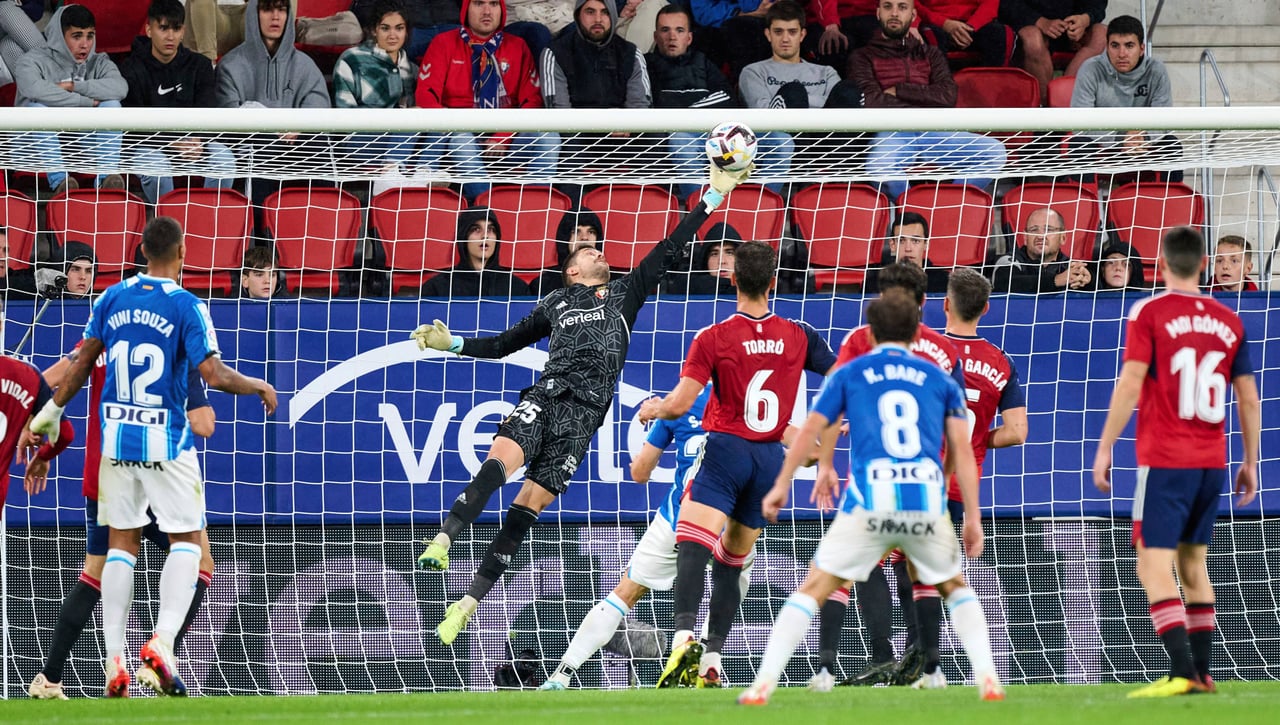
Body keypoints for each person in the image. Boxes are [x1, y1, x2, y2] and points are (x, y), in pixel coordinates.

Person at [411, 160, 753, 646]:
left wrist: (711, 199)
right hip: (548, 395)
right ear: (573, 270)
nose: (596, 250)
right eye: (586, 249)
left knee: (527, 507)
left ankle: (466, 605)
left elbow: (669, 246)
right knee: (499, 463)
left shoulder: (624, 294)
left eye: (597, 246)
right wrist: (455, 345)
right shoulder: (555, 303)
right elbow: (506, 343)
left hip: (584, 418)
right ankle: (444, 538)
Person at [28, 216, 278, 698]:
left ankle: (113, 661)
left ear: (140, 249)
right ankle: (162, 645)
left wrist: (50, 411)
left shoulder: (110, 299)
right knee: (190, 545)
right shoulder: (187, 308)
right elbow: (213, 378)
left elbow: (76, 364)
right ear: (182, 252)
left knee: (117, 549)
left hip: (114, 445)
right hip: (164, 442)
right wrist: (256, 385)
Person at [737, 292, 1005, 705]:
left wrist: (782, 483)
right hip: (924, 498)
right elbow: (961, 450)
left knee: (814, 587)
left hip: (870, 499)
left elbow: (810, 429)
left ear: (873, 332)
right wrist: (972, 515)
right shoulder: (938, 376)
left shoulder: (852, 372)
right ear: (915, 332)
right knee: (954, 585)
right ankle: (987, 678)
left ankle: (762, 684)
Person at [639, 240, 837, 688]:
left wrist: (655, 407)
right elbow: (844, 373)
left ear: (730, 278)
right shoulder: (800, 334)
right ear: (772, 282)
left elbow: (682, 403)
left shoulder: (713, 337)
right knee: (733, 561)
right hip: (769, 461)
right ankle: (712, 658)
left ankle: (682, 638)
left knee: (692, 543)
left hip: (726, 449)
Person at [1092, 226, 1259, 698]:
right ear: (1204, 265)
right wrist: (1250, 459)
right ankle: (1203, 676)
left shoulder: (1149, 311)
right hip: (1213, 462)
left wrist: (1105, 446)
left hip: (1166, 460)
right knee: (1194, 566)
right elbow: (1248, 396)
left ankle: (1184, 672)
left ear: (1161, 266)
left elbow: (1130, 381)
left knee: (1152, 565)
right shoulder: (1230, 320)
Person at [27, 344, 217, 700]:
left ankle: (58, 677)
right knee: (198, 560)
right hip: (160, 471)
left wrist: (39, 434)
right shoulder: (173, 339)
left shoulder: (102, 335)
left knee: (97, 572)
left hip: (105, 470)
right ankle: (160, 656)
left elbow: (48, 381)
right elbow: (204, 423)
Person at [811, 261, 966, 690]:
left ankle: (877, 659)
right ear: (925, 302)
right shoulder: (942, 349)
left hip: (875, 472)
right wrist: (949, 476)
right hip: (927, 473)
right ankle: (926, 663)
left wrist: (825, 464)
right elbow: (960, 426)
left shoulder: (860, 341)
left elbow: (830, 402)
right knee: (920, 568)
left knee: (854, 563)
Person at [540, 384, 754, 689]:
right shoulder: (750, 406)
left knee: (624, 593)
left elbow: (640, 474)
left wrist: (640, 461)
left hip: (678, 518)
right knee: (737, 572)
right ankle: (707, 656)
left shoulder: (675, 405)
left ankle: (562, 674)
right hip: (724, 521)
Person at [903, 267, 1027, 689]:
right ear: (986, 309)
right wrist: (977, 439)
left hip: (920, 474)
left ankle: (924, 660)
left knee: (909, 569)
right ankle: (924, 660)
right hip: (963, 481)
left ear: (945, 304)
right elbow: (1018, 432)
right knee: (933, 570)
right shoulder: (1000, 361)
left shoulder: (929, 350)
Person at [850, 0, 1005, 203]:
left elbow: (948, 96)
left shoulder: (931, 53)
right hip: (893, 130)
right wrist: (924, 100)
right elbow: (872, 101)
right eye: (888, 7)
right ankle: (912, 214)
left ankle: (948, 207)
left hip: (933, 129)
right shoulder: (861, 56)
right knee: (879, 167)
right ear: (878, 13)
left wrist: (899, 90)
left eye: (902, 7)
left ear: (914, 15)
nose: (895, 13)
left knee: (994, 152)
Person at [416, 0, 552, 200]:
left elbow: (532, 101)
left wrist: (503, 136)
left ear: (502, 10)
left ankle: (536, 210)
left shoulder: (518, 46)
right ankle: (488, 214)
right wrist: (454, 125)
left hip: (508, 139)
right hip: (459, 135)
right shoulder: (443, 43)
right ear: (466, 9)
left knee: (549, 136)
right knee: (461, 140)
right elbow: (426, 95)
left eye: (494, 4)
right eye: (479, 3)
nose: (487, 11)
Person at [119, 0, 237, 205]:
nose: (170, 36)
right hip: (149, 144)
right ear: (149, 29)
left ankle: (208, 223)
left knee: (225, 161)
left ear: (183, 31)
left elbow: (208, 112)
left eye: (176, 28)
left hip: (193, 142)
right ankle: (168, 227)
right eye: (163, 28)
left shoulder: (199, 65)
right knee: (157, 168)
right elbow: (132, 129)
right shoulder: (131, 68)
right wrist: (172, 143)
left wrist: (197, 140)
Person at [13, 4, 127, 195]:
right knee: (37, 109)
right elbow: (34, 89)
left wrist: (75, 86)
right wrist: (85, 102)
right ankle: (60, 182)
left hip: (80, 142)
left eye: (90, 36)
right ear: (59, 37)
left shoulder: (99, 62)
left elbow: (120, 87)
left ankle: (105, 180)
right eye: (77, 36)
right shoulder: (31, 61)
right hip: (34, 146)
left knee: (112, 104)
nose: (85, 44)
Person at [738, 1, 844, 195]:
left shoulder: (826, 72)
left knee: (849, 92)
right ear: (768, 34)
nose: (785, 39)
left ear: (802, 34)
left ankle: (832, 177)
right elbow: (763, 114)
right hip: (780, 145)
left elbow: (844, 109)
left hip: (824, 146)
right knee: (793, 93)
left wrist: (802, 103)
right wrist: (813, 104)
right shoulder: (753, 71)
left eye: (792, 32)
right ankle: (807, 176)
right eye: (778, 32)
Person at [540, 0, 650, 178]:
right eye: (590, 12)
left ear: (613, 16)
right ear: (578, 15)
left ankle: (651, 203)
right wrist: (604, 125)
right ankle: (572, 206)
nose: (598, 19)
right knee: (566, 142)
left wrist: (627, 123)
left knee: (656, 136)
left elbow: (641, 106)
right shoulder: (555, 52)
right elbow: (559, 113)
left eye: (605, 12)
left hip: (621, 135)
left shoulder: (630, 52)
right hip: (577, 136)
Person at [1070, 15, 1180, 183]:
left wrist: (1145, 137)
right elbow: (1080, 125)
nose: (1122, 54)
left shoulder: (1156, 70)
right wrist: (1120, 138)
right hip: (1103, 144)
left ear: (1142, 48)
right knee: (1079, 145)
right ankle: (1085, 207)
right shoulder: (1090, 69)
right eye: (1115, 46)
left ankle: (1168, 206)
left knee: (1172, 145)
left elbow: (1164, 122)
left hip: (1142, 143)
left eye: (1129, 46)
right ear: (1106, 47)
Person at [645, 4, 737, 201]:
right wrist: (702, 105)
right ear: (655, 37)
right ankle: (697, 209)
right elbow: (653, 108)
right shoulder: (646, 65)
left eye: (679, 30)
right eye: (665, 30)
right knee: (681, 138)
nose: (672, 37)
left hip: (711, 133)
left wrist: (682, 110)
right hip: (672, 139)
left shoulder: (702, 61)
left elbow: (728, 100)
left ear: (689, 38)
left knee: (779, 140)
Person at [334, 0, 418, 174]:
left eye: (399, 28)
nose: (393, 35)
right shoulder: (351, 59)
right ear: (374, 30)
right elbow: (346, 118)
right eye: (385, 28)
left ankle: (421, 173)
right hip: (360, 141)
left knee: (436, 123)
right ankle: (391, 173)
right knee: (412, 119)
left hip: (403, 139)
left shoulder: (412, 69)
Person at [216, 0, 329, 108]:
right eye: (267, 9)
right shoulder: (228, 67)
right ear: (254, 14)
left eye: (282, 9)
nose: (275, 17)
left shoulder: (307, 67)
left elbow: (317, 119)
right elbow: (229, 122)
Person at [1000, 0, 1105, 105]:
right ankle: (1046, 105)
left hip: (1070, 30)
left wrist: (1084, 20)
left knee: (1102, 34)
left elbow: (1097, 5)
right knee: (1032, 38)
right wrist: (1040, 21)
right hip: (1031, 25)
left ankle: (1063, 97)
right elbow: (1006, 5)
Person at [421, 208, 532, 297]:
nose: (485, 236)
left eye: (491, 229)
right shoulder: (436, 288)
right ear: (463, 237)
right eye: (476, 229)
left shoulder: (516, 288)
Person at [990, 207, 1092, 293]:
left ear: (1063, 238)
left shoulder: (1071, 267)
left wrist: (1088, 281)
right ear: (1025, 238)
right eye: (1034, 230)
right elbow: (1005, 283)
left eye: (1049, 229)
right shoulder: (1008, 260)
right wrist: (1056, 280)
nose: (1040, 236)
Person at [864, 212, 950, 294]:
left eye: (915, 241)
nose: (908, 248)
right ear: (892, 245)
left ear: (926, 245)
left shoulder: (943, 281)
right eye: (901, 241)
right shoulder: (875, 282)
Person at [531, 208, 609, 296]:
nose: (584, 237)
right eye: (576, 231)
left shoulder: (616, 282)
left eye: (591, 232)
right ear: (565, 239)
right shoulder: (543, 284)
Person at [916, 0, 1011, 67]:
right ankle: (941, 88)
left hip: (971, 24)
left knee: (1001, 33)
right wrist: (945, 23)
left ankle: (991, 88)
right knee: (931, 35)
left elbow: (990, 3)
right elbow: (912, 3)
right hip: (936, 22)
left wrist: (971, 27)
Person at [684, 222, 739, 296]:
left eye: (729, 253)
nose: (721, 261)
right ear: (705, 260)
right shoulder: (688, 287)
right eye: (714, 254)